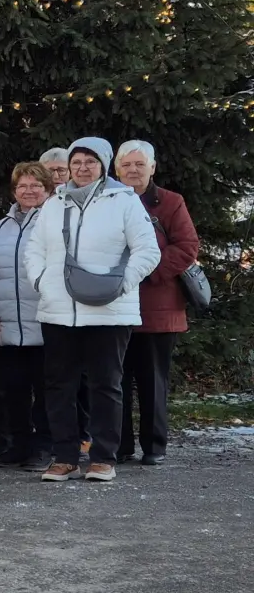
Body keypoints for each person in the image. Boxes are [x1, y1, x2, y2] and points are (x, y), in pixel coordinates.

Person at [24, 137, 161, 483]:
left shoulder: (125, 202)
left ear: (103, 165)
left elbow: (148, 250)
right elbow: (35, 249)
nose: (82, 168)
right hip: (58, 310)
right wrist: (41, 280)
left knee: (106, 386)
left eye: (90, 161)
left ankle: (103, 457)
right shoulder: (53, 204)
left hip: (109, 310)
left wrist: (122, 284)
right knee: (59, 386)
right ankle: (65, 456)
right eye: (77, 162)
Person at [115, 140, 199, 466]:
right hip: (113, 307)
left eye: (139, 164)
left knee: (152, 381)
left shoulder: (170, 203)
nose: (133, 170)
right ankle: (119, 446)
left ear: (152, 167)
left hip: (158, 306)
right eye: (127, 165)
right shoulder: (108, 202)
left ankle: (154, 447)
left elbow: (187, 246)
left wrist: (145, 272)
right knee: (114, 381)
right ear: (117, 169)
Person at [0, 162, 52, 469]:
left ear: (47, 189)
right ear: (14, 190)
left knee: (47, 392)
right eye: (23, 185)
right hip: (9, 324)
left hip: (47, 323)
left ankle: (45, 447)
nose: (29, 191)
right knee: (14, 391)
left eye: (36, 185)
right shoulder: (3, 227)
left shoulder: (54, 221)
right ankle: (19, 445)